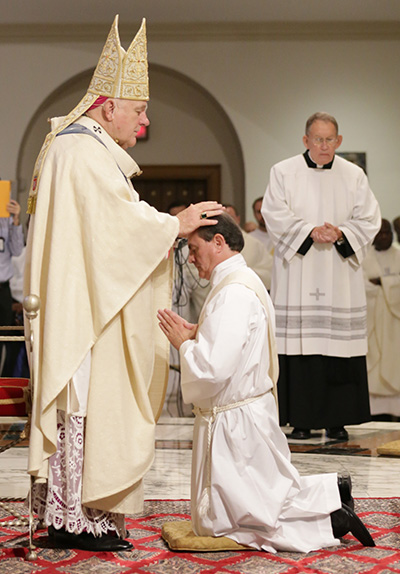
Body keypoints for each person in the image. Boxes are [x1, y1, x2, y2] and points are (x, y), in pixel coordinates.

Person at [24, 15, 223, 552]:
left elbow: (113, 226)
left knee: (91, 408)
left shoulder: (84, 148)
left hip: (91, 299)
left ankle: (87, 515)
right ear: (108, 106)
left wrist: (164, 226)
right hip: (85, 310)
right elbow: (116, 230)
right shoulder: (81, 150)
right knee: (88, 404)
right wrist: (175, 223)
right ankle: (77, 519)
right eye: (138, 110)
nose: (145, 119)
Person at [157, 213, 374, 552]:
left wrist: (184, 344)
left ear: (219, 242)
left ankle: (330, 519)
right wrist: (198, 335)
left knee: (241, 518)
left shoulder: (233, 293)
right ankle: (332, 491)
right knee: (257, 498)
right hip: (242, 412)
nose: (191, 257)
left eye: (196, 248)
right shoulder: (239, 281)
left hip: (236, 420)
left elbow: (213, 369)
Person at [262, 112, 381, 441]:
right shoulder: (283, 172)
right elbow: (273, 213)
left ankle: (337, 421)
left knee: (338, 350)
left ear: (339, 141)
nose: (324, 145)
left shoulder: (354, 174)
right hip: (298, 271)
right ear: (305, 140)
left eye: (330, 139)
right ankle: (300, 421)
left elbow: (370, 218)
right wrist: (307, 231)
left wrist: (341, 233)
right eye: (318, 139)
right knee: (300, 350)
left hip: (339, 276)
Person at [363, 219, 400, 418]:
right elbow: (358, 284)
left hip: (395, 324)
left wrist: (384, 283)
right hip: (373, 320)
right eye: (381, 233)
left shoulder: (398, 255)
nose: (385, 236)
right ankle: (375, 411)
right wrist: (379, 287)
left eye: (388, 233)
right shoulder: (363, 258)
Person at [0, 199, 24, 376]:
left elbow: (16, 251)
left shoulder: (6, 218)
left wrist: (16, 220)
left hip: (3, 289)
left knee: (3, 338)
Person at [224, 204, 273, 289]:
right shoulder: (208, 244)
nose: (226, 223)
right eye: (222, 219)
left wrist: (242, 273)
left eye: (230, 218)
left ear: (238, 219)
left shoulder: (254, 244)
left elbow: (269, 273)